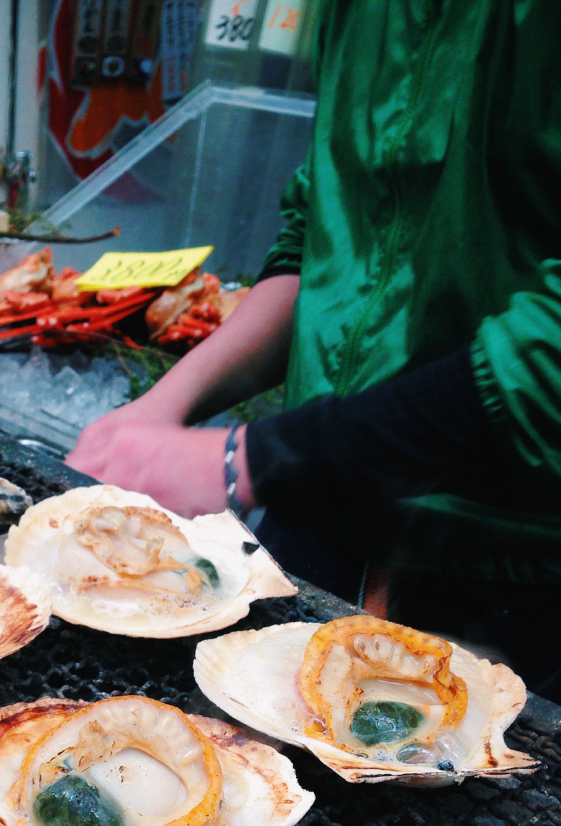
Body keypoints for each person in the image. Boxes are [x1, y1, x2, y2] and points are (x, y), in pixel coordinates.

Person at [67, 0, 561, 699]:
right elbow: (317, 235)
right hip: (318, 518)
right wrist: (158, 409)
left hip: (508, 553)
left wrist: (257, 458)